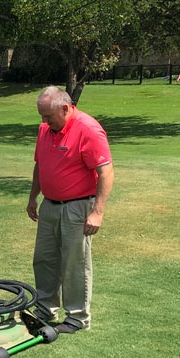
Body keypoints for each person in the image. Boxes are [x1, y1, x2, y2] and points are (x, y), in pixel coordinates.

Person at [26, 86, 114, 333]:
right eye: (42, 116)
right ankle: (44, 309)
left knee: (74, 263)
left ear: (65, 109)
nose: (44, 122)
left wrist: (97, 212)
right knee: (44, 259)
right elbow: (40, 165)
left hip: (77, 206)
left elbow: (105, 172)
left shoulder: (88, 129)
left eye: (48, 116)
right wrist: (34, 197)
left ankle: (77, 317)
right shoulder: (45, 129)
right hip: (50, 205)